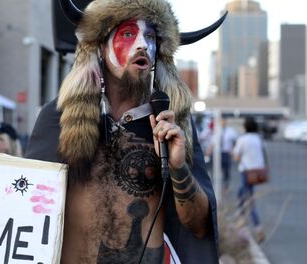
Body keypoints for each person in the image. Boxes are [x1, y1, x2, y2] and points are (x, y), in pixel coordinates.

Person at [25, 0, 224, 263]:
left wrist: (177, 167)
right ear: (100, 45)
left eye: (151, 36)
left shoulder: (170, 126)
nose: (142, 44)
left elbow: (198, 227)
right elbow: (26, 205)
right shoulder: (59, 118)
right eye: (129, 33)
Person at [232, 117, 266, 236]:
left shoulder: (242, 139)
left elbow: (236, 157)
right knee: (242, 194)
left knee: (248, 200)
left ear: (245, 127)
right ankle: (239, 222)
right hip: (257, 172)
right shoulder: (259, 139)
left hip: (246, 172)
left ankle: (257, 227)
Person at [206, 117, 238, 189]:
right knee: (214, 168)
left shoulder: (231, 131)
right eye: (221, 121)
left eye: (223, 121)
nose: (222, 122)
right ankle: (214, 183)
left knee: (226, 169)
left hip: (226, 153)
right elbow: (213, 142)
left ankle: (226, 184)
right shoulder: (217, 130)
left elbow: (235, 142)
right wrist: (208, 151)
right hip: (217, 153)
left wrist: (233, 150)